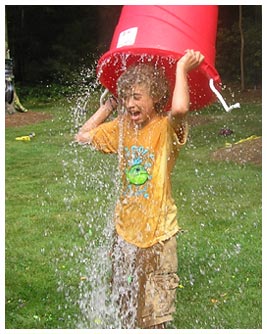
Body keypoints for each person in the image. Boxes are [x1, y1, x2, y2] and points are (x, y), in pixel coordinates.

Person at [75, 49, 204, 329]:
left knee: (155, 314)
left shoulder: (166, 128)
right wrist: (108, 107)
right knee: (126, 305)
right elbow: (83, 135)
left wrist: (182, 67)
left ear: (156, 97)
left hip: (158, 235)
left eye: (137, 96)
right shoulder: (121, 127)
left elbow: (180, 109)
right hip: (125, 232)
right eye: (125, 97)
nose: (129, 103)